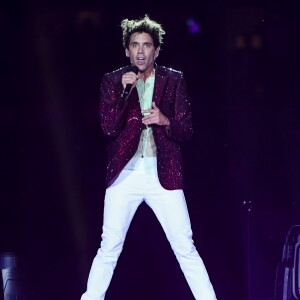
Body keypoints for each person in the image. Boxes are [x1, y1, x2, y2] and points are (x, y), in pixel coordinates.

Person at [80, 14, 218, 300]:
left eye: (146, 45)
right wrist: (122, 92)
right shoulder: (112, 80)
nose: (140, 51)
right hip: (125, 173)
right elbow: (108, 127)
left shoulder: (174, 80)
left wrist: (165, 119)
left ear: (156, 50)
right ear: (127, 50)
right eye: (135, 45)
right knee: (109, 246)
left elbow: (186, 130)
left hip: (163, 173)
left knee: (184, 246)